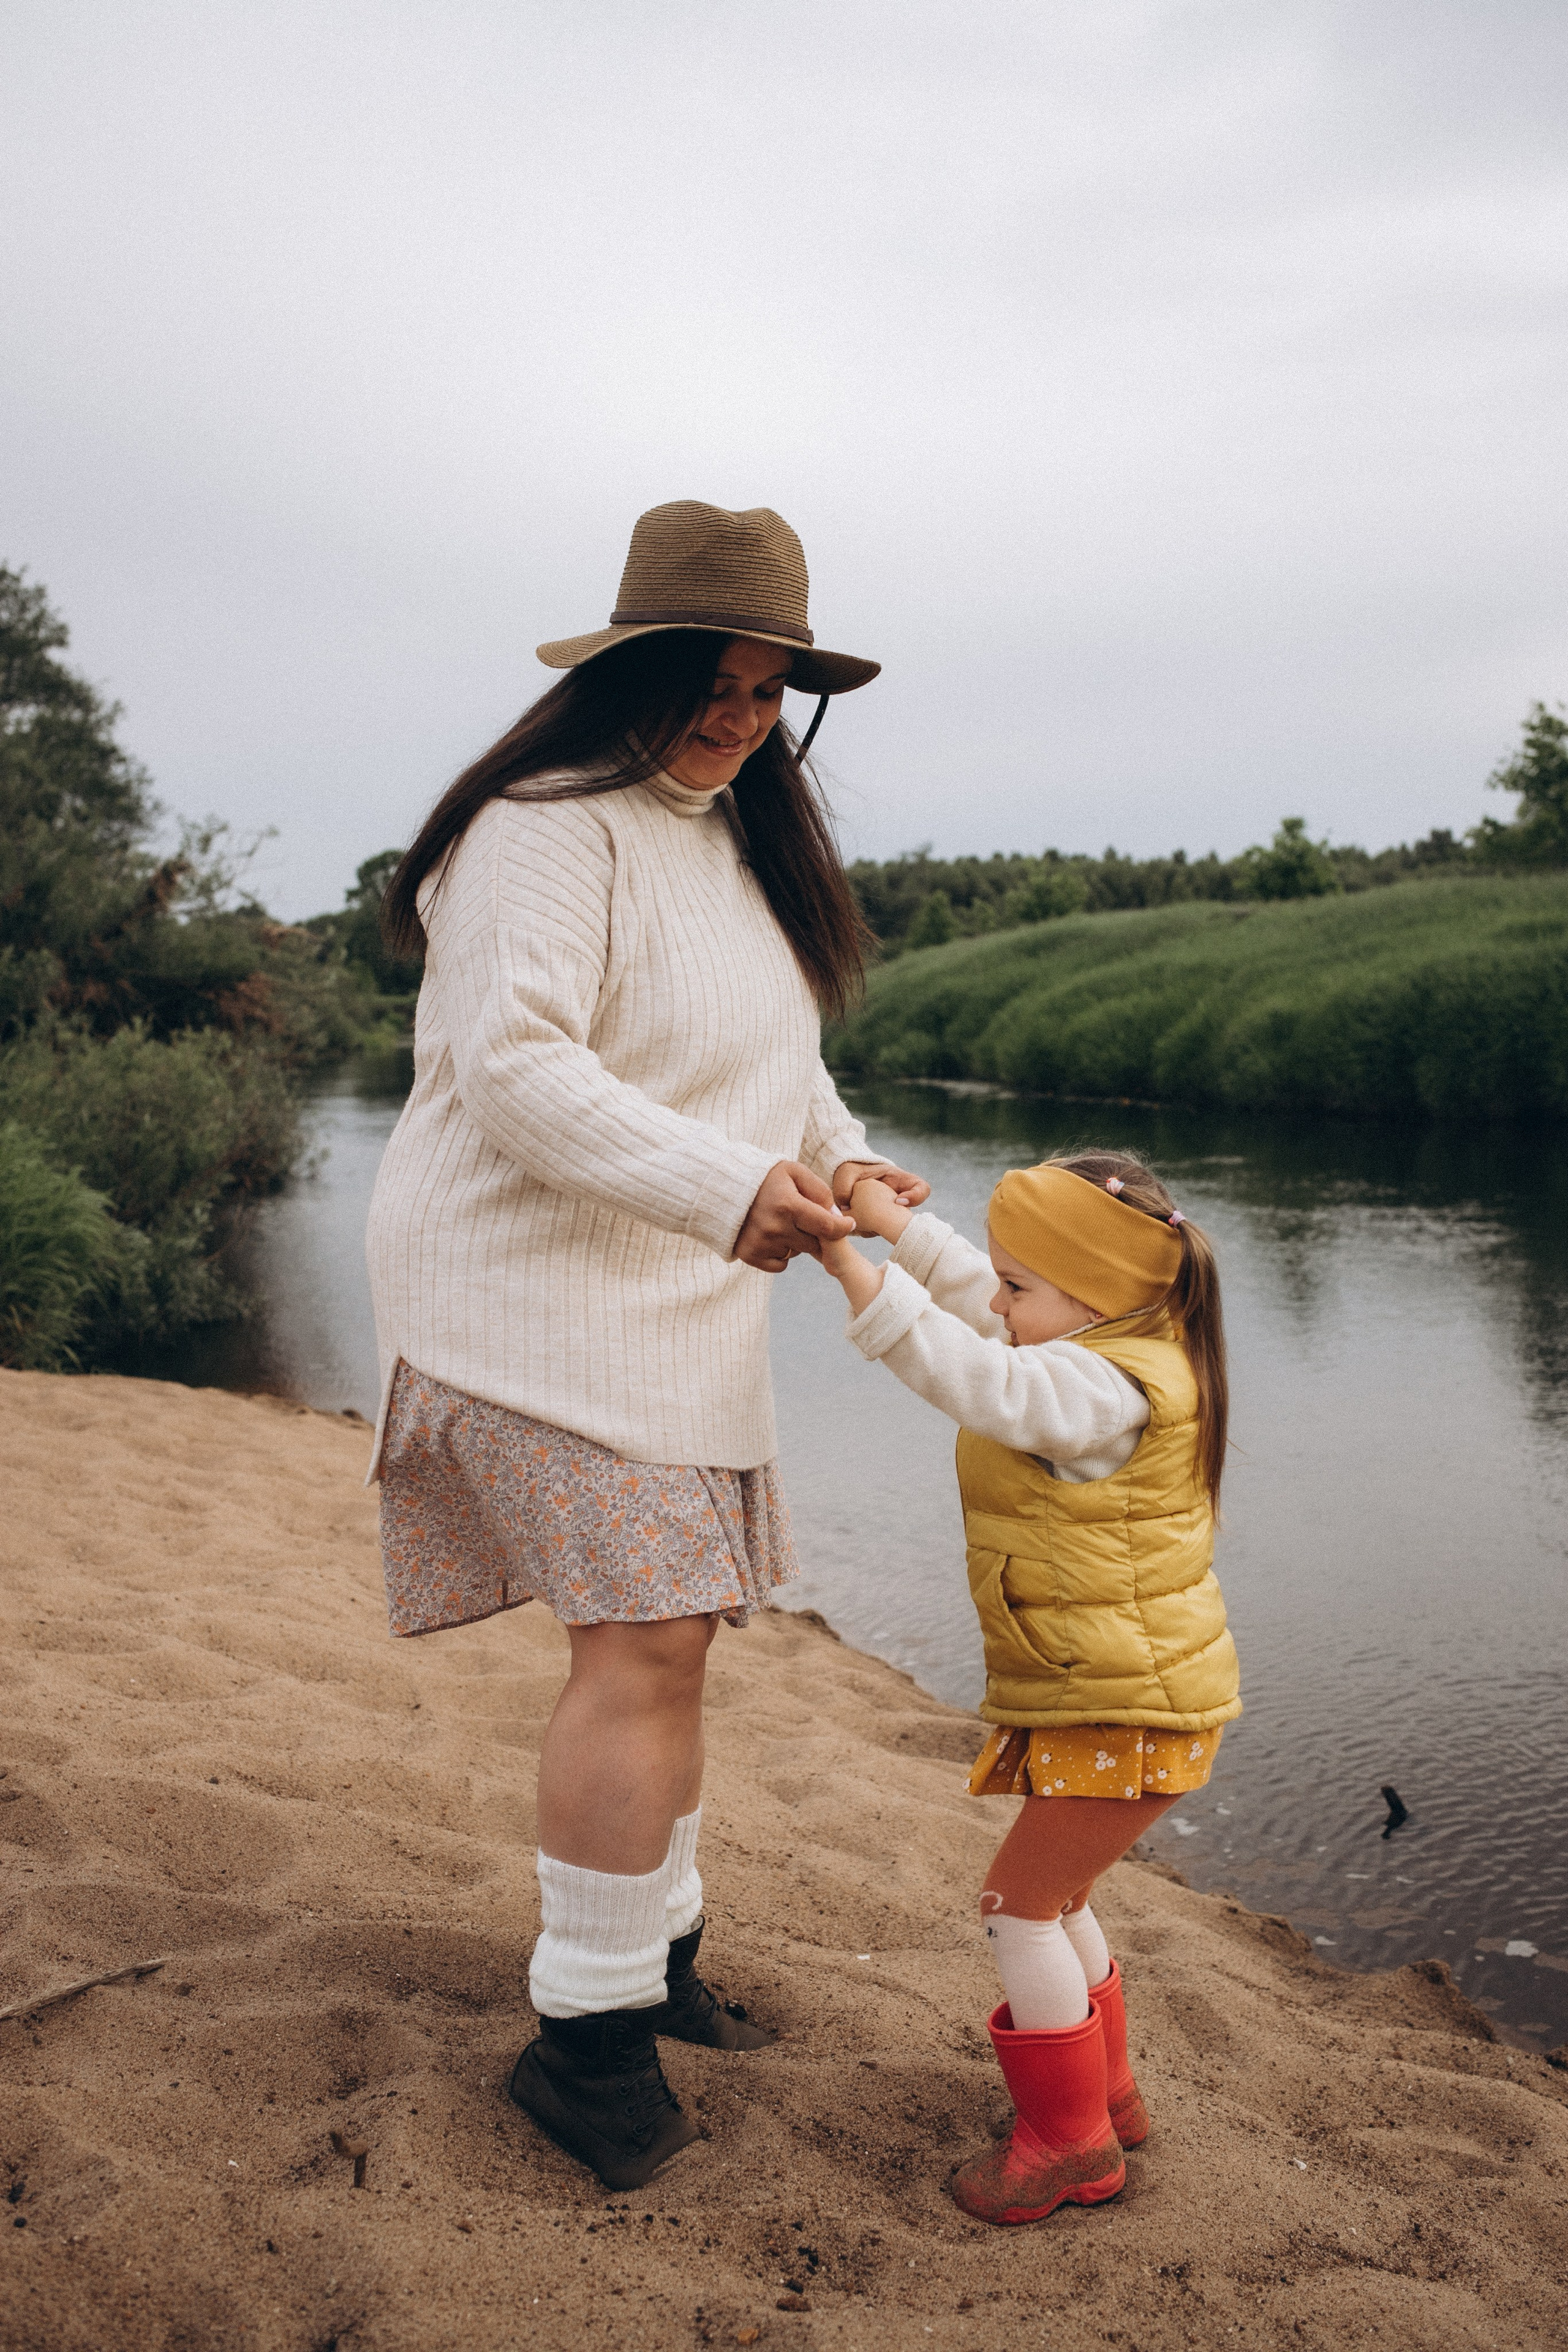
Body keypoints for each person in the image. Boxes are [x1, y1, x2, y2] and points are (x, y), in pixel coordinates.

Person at [365, 500, 929, 2190]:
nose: (740, 718)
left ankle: (652, 1960)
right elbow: (521, 1070)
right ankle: (588, 2040)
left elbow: (762, 1065)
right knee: (648, 1642)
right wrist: (723, 1187)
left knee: (673, 1642)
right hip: (524, 1291)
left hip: (670, 1290)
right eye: (713, 679)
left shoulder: (730, 840)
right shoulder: (545, 827)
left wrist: (840, 1157)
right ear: (633, 667)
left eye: (771, 694)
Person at [818, 1150, 1240, 2225]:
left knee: (1018, 1911)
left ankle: (1067, 2145)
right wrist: (881, 1218)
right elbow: (977, 1292)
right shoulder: (1118, 1336)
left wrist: (844, 1265)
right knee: (1059, 1900)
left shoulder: (1097, 1389)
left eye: (1021, 1288)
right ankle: (1110, 2098)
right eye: (1004, 1282)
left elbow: (985, 1380)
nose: (999, 1303)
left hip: (1123, 1704)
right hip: (1123, 1694)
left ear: (1090, 1292)